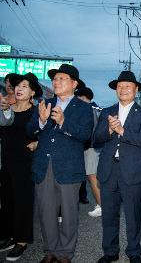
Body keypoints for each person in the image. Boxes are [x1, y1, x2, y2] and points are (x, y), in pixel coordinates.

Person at [26, 64, 93, 263]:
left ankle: (65, 253)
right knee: (46, 211)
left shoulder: (84, 108)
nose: (56, 82)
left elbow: (85, 135)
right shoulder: (43, 104)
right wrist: (41, 120)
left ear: (74, 84)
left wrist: (63, 122)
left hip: (69, 168)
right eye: (55, 79)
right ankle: (51, 250)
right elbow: (30, 130)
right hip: (43, 166)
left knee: (70, 213)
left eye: (62, 78)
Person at [95, 71, 141, 263]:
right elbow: (96, 139)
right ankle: (110, 252)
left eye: (128, 86)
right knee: (109, 215)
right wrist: (109, 130)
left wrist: (121, 130)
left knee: (133, 216)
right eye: (120, 86)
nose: (123, 89)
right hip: (108, 170)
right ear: (115, 90)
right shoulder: (106, 111)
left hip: (132, 172)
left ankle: (134, 252)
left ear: (136, 90)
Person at [0, 73, 42, 261]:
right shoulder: (7, 108)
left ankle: (22, 240)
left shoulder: (36, 112)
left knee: (22, 201)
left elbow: (45, 133)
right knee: (7, 199)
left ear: (32, 92)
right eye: (18, 85)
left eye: (25, 86)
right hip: (6, 159)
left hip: (25, 162)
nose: (19, 88)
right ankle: (8, 234)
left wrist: (37, 143)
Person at [75, 86, 103, 217]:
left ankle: (101, 206)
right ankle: (101, 204)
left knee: (92, 178)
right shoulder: (97, 109)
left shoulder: (87, 109)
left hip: (90, 147)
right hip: (97, 147)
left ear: (83, 98)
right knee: (96, 178)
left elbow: (89, 131)